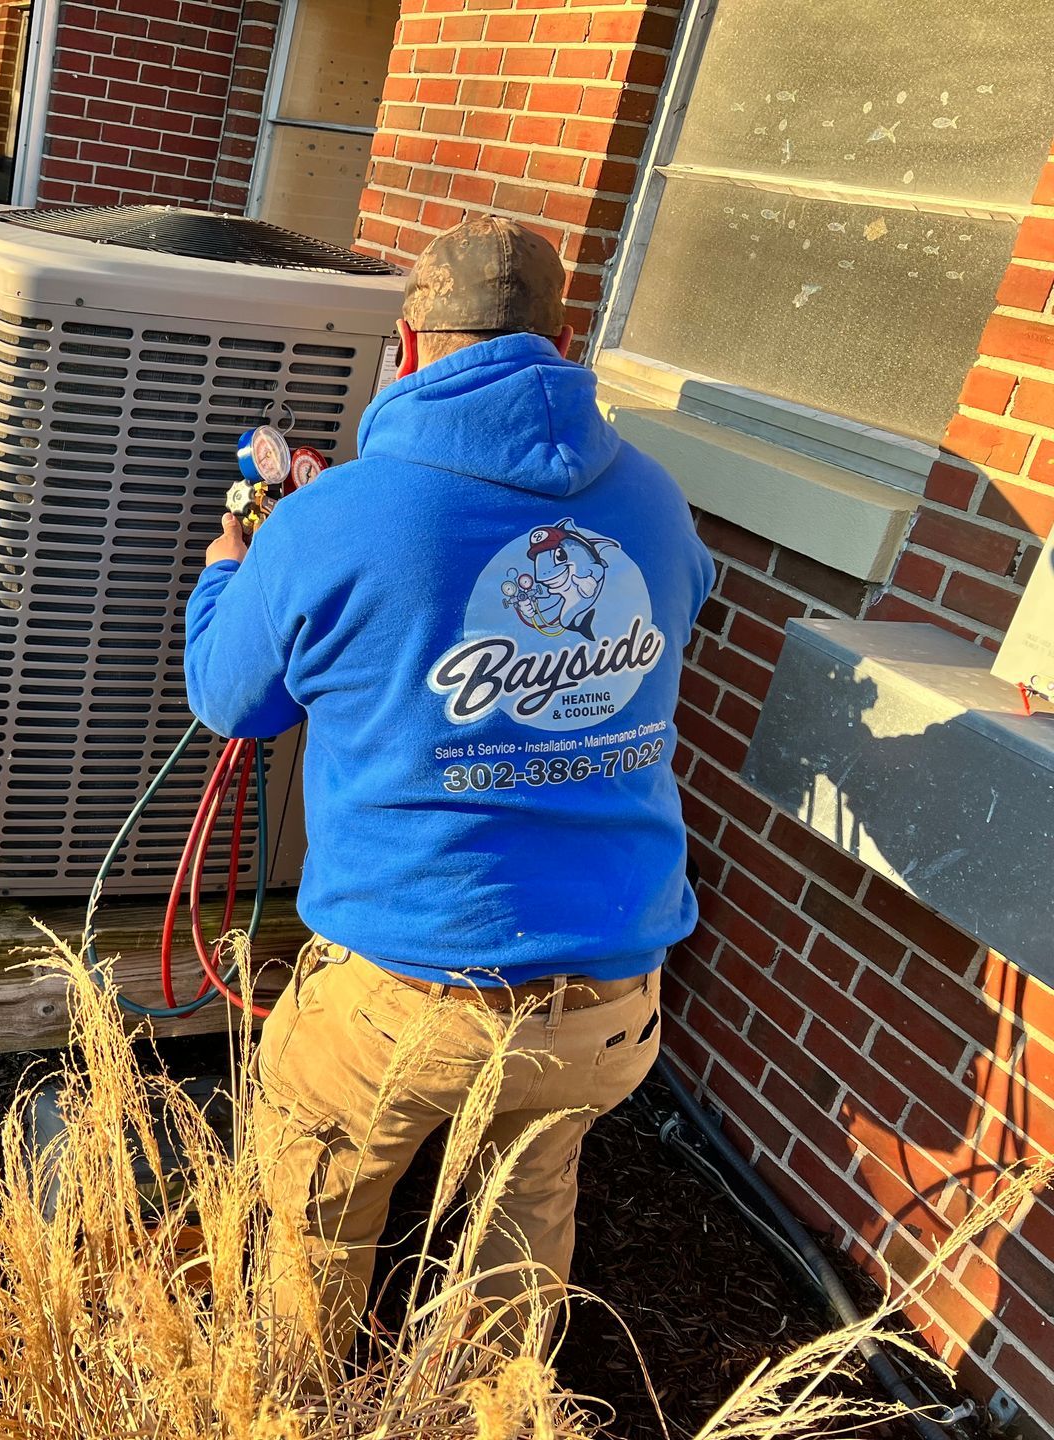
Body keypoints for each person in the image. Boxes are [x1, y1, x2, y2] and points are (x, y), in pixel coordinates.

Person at [183, 216, 714, 1363]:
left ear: (411, 347)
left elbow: (234, 703)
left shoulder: (334, 518)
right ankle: (485, 1405)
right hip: (615, 1002)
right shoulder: (661, 505)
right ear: (566, 344)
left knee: (311, 1217)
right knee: (524, 1228)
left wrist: (232, 571)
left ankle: (295, 1397)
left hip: (412, 999)